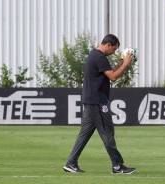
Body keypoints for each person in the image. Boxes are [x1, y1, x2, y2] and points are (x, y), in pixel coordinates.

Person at [63, 34, 136, 174]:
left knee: (84, 134)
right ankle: (117, 166)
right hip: (97, 101)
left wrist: (122, 62)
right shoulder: (99, 57)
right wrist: (126, 64)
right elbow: (113, 77)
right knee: (107, 132)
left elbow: (110, 72)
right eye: (114, 49)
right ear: (108, 45)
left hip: (91, 100)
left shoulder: (95, 55)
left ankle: (71, 163)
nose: (114, 52)